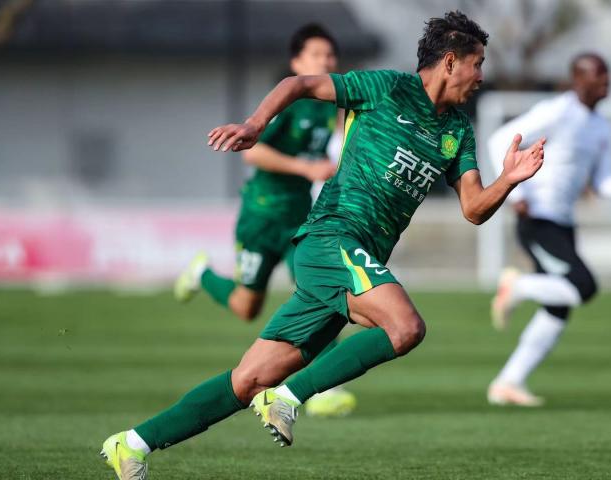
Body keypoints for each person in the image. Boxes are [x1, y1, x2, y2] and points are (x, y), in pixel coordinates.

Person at [101, 11, 545, 479]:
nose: (481, 76)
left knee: (249, 380)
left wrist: (508, 179)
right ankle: (289, 397)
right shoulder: (386, 88)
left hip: (351, 261)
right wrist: (255, 125)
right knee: (406, 327)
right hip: (332, 237)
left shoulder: (458, 130)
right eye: (478, 64)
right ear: (450, 62)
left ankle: (132, 444)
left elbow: (474, 208)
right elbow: (298, 84)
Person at [173, 23, 355, 418]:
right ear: (296, 62)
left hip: (300, 219)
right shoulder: (287, 103)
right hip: (262, 216)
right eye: (317, 55)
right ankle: (202, 273)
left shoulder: (329, 106)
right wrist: (305, 168)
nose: (327, 61)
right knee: (246, 307)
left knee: (323, 291)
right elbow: (252, 153)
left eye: (330, 55)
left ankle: (325, 389)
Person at [487, 53, 611, 407]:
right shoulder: (557, 111)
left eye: (607, 74)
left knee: (558, 308)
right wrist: (516, 193)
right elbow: (499, 138)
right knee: (584, 286)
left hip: (563, 224)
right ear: (578, 79)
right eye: (598, 75)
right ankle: (517, 286)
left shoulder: (600, 127)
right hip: (537, 220)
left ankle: (508, 382)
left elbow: (603, 183)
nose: (606, 81)